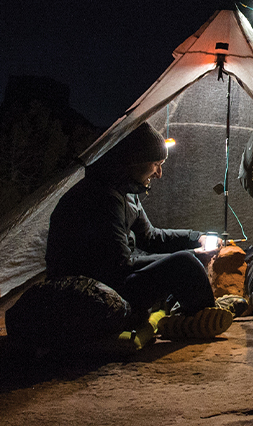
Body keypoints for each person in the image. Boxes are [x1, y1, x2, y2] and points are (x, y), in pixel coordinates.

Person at [45, 121, 233, 339]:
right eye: (156, 164)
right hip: (92, 289)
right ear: (134, 161)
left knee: (181, 264)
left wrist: (197, 237)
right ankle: (201, 318)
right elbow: (119, 266)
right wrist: (191, 255)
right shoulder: (100, 197)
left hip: (116, 277)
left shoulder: (126, 191)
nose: (159, 173)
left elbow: (150, 237)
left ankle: (196, 314)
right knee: (184, 265)